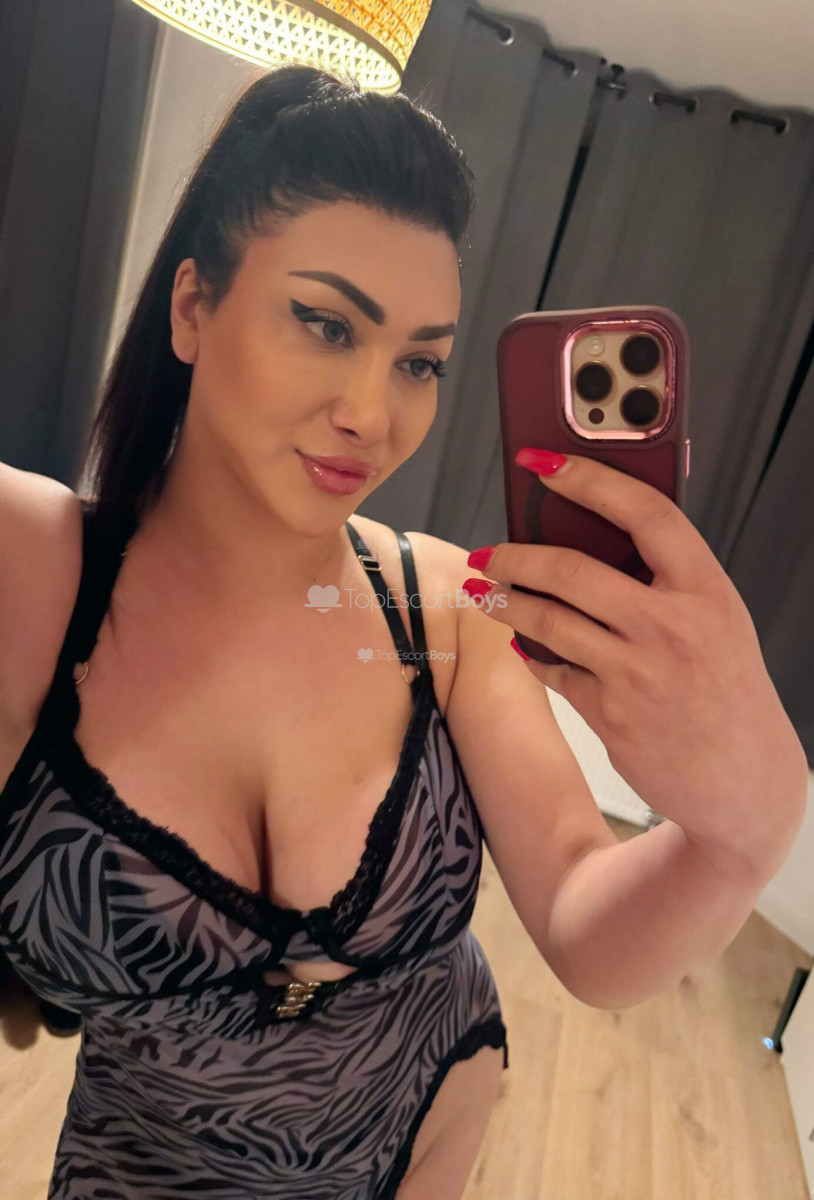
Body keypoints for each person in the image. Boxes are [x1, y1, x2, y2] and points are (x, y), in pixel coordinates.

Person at [0, 63, 622, 1198]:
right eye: (325, 324)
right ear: (192, 308)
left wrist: (740, 816)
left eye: (420, 362)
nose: (372, 415)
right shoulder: (35, 567)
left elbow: (588, 916)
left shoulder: (443, 605)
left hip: (427, 1117)